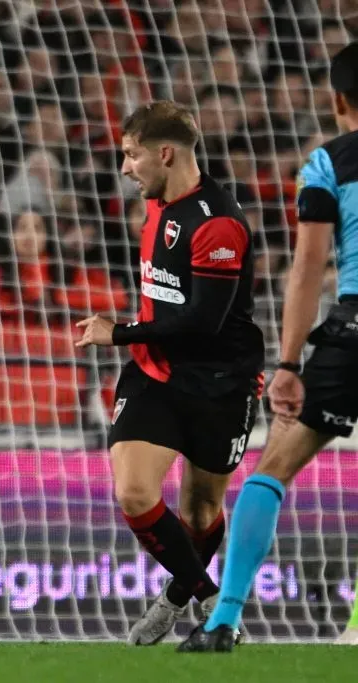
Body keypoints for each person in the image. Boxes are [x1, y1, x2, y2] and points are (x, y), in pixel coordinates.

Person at [179, 41, 358, 653]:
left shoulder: (327, 163)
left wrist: (287, 364)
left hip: (353, 333)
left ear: (339, 101)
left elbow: (307, 267)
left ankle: (225, 619)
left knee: (271, 471)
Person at [76, 100, 264, 645]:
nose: (126, 168)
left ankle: (175, 598)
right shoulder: (156, 205)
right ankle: (208, 597)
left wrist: (121, 331)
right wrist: (134, 342)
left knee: (201, 510)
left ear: (165, 153)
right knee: (134, 492)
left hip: (221, 383)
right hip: (153, 376)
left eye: (132, 156)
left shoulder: (218, 224)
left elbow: (203, 322)